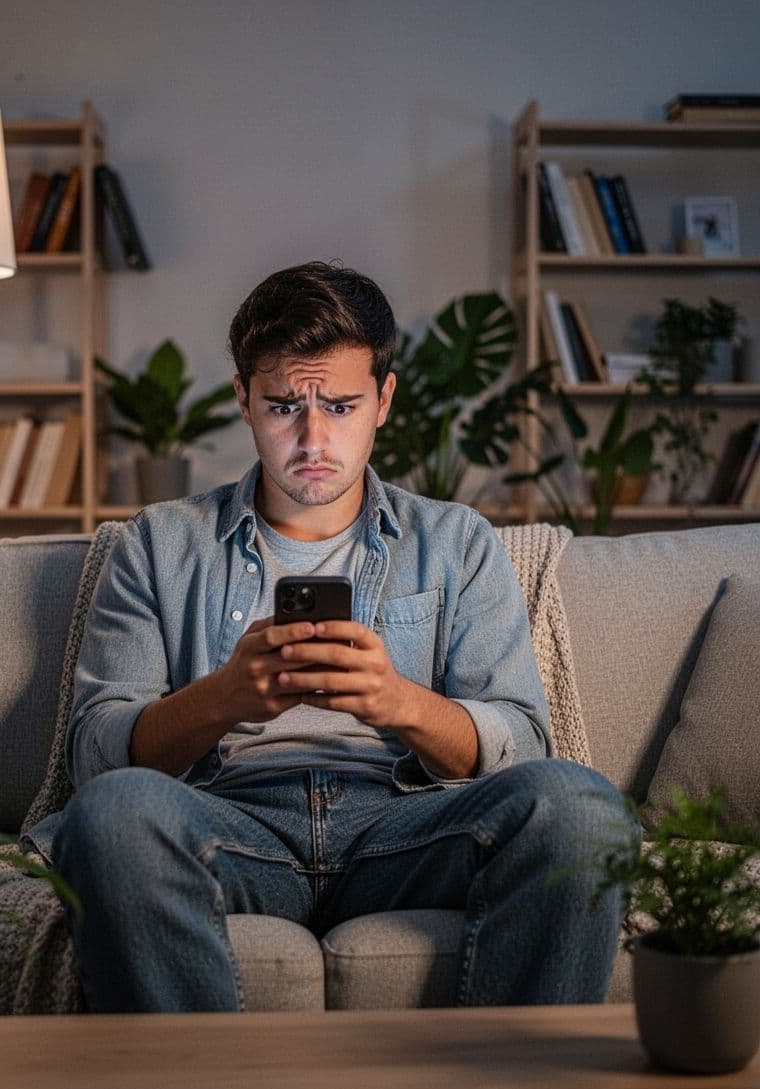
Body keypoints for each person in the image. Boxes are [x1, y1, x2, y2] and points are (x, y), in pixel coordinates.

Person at [46, 260, 632, 1012]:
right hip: (229, 820)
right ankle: (193, 1075)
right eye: (284, 406)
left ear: (383, 400)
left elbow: (523, 739)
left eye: (342, 406)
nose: (313, 439)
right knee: (111, 818)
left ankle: (508, 1073)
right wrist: (223, 699)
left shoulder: (457, 542)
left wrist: (398, 703)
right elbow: (95, 754)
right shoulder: (158, 543)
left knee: (579, 807)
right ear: (243, 399)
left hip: (406, 826)